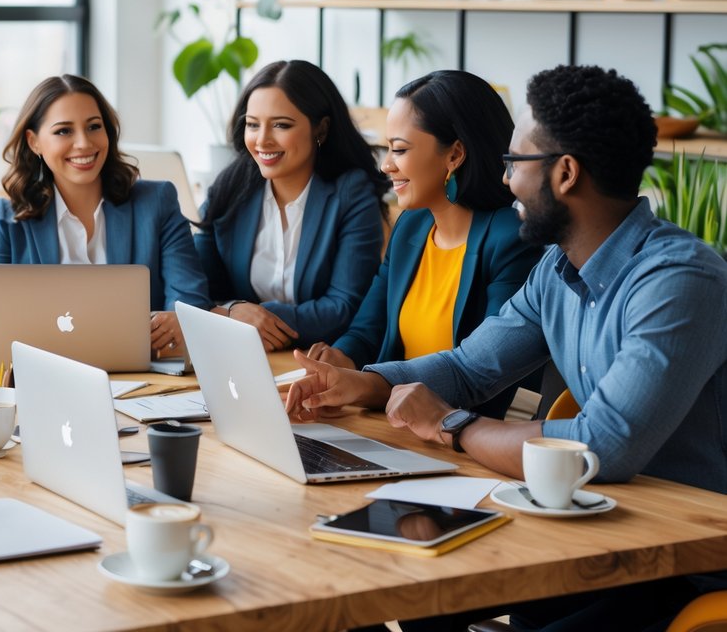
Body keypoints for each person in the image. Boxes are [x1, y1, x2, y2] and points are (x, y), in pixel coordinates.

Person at [286, 65, 727, 631]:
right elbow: (471, 367)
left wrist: (453, 425)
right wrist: (364, 384)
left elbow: (601, 446)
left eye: (516, 163)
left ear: (565, 173)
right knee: (404, 584)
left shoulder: (680, 280)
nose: (504, 180)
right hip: (588, 526)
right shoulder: (557, 267)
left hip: (682, 558)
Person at [307, 71, 542, 419]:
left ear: (455, 155)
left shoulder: (510, 237)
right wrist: (337, 363)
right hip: (399, 418)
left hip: (469, 426)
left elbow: (486, 375)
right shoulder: (412, 227)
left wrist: (366, 387)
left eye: (399, 149)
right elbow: (366, 330)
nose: (387, 164)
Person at [0, 74, 213, 354]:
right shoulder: (8, 218)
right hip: (45, 373)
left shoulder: (157, 202)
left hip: (144, 375)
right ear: (34, 142)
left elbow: (190, 301)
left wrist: (179, 319)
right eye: (64, 131)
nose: (84, 143)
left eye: (94, 127)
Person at [195, 59, 389, 350]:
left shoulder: (351, 193)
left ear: (320, 130)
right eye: (252, 125)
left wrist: (255, 318)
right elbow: (192, 287)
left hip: (316, 361)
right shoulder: (229, 186)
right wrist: (235, 310)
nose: (262, 140)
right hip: (239, 355)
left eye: (281, 125)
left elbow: (344, 308)